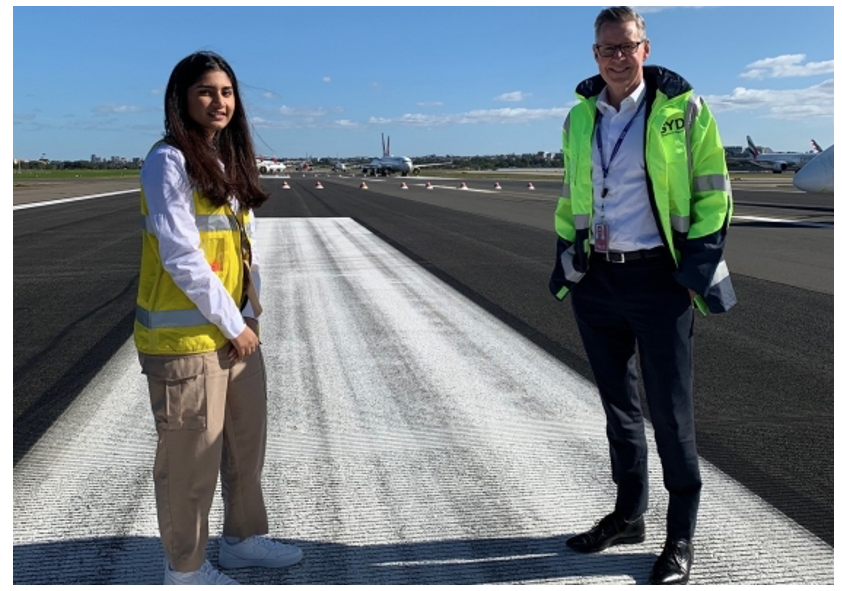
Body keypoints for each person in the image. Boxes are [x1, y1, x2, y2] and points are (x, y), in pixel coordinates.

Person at [548, 6, 736, 585]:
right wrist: (565, 260)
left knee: (671, 414)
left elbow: (713, 191)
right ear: (595, 54)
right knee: (619, 409)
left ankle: (681, 535)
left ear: (645, 48)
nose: (618, 57)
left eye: (627, 46)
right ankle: (629, 514)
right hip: (598, 278)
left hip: (660, 278)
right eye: (607, 48)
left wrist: (693, 272)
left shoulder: (685, 109)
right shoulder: (580, 116)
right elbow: (571, 194)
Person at [135, 51, 302, 585]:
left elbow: (238, 250)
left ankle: (242, 540)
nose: (219, 102)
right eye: (206, 91)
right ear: (181, 97)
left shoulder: (222, 161)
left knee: (244, 447)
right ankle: (183, 569)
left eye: (227, 92)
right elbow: (182, 255)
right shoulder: (169, 161)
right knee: (191, 460)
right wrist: (235, 324)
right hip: (187, 341)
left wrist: (248, 317)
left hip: (235, 334)